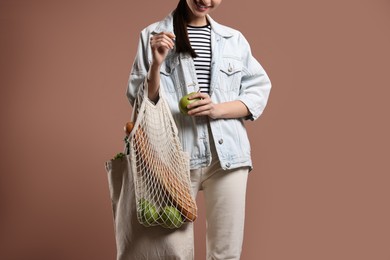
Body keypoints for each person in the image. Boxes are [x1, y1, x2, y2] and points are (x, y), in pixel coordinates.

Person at [126, 0, 271, 259]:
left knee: (225, 253)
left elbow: (258, 90)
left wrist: (217, 109)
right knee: (171, 252)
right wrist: (156, 64)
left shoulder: (233, 40)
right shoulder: (152, 35)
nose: (207, 1)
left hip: (228, 158)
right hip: (172, 159)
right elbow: (139, 103)